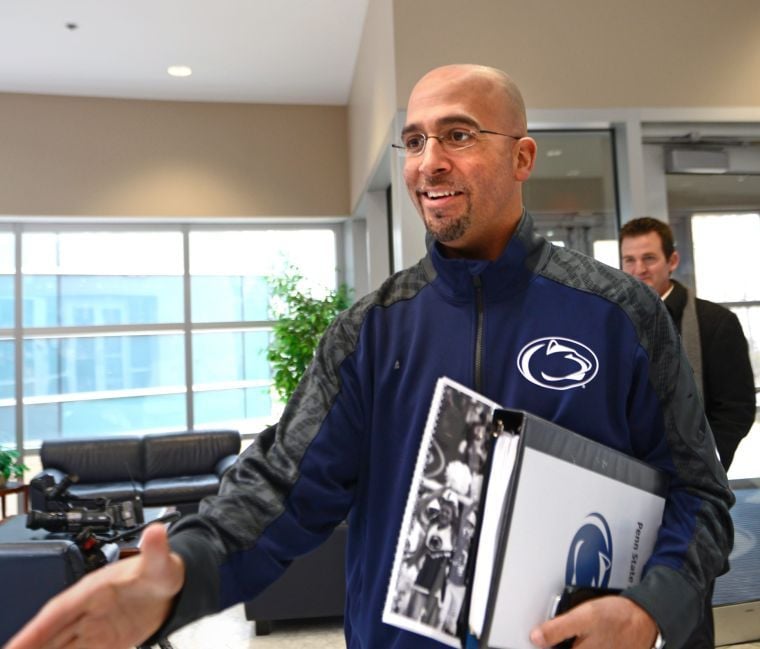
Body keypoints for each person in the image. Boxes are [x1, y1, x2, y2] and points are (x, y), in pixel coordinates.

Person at [6, 64, 733, 649]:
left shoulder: (621, 315)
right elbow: (278, 493)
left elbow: (700, 499)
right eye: (414, 141)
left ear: (522, 157)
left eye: (456, 134)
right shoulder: (370, 331)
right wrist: (179, 578)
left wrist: (649, 610)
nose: (429, 162)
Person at [619, 216, 756, 471]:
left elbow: (737, 408)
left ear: (672, 261)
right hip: (628, 470)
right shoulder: (613, 321)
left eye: (649, 258)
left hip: (694, 476)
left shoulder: (716, 322)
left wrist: (706, 465)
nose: (639, 269)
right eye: (629, 260)